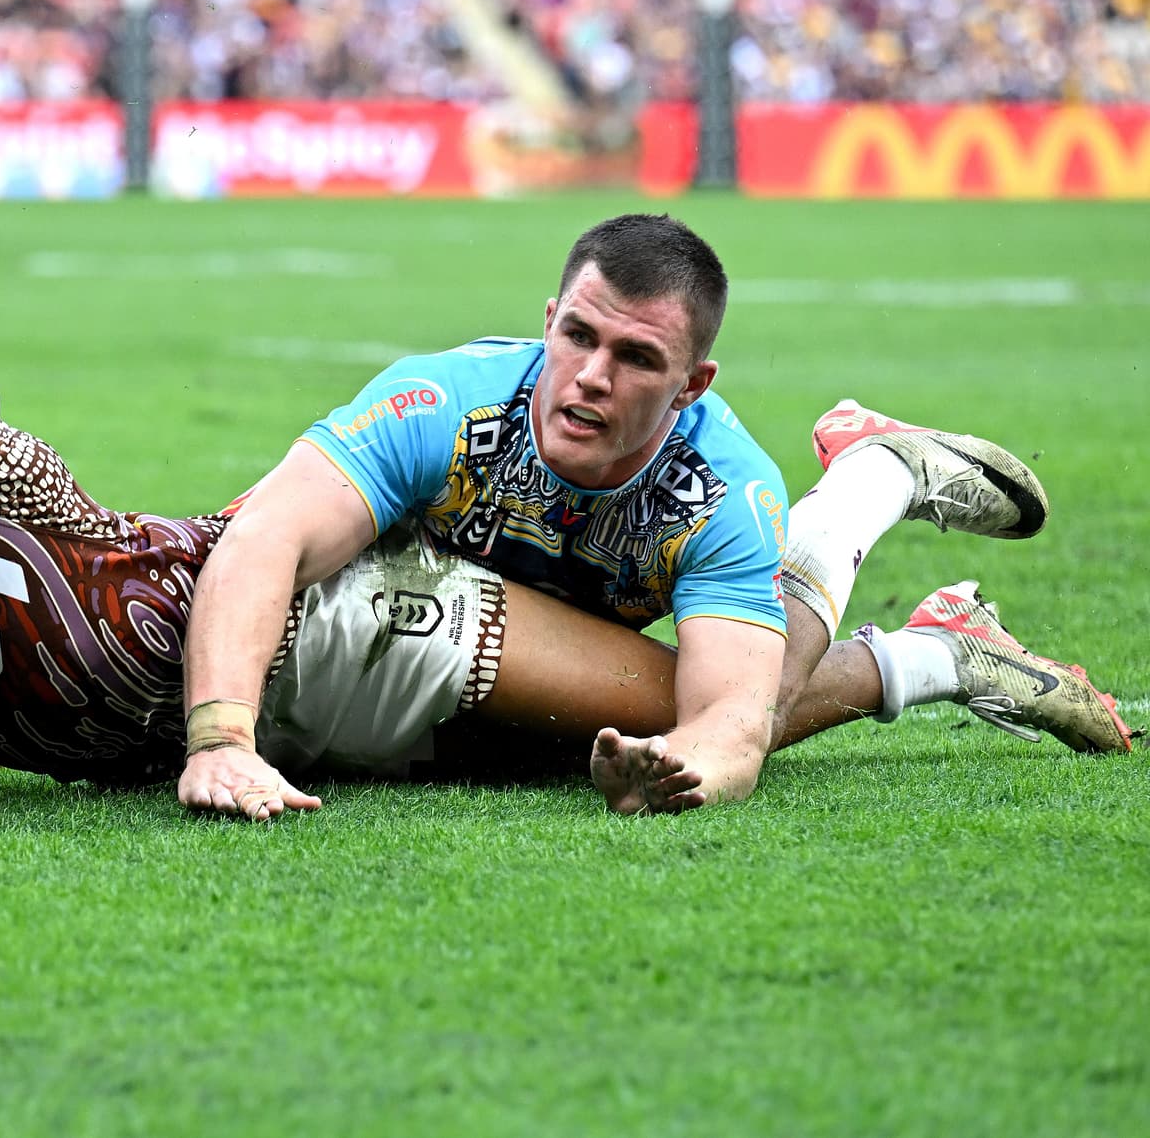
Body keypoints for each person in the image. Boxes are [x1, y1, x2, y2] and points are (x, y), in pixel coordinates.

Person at [0, 255, 1127, 829]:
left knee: (685, 704)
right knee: (603, 756)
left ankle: (882, 539)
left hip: (335, 631)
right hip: (268, 712)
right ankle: (926, 637)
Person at [176, 213, 1130, 817]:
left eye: (636, 359)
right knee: (559, 725)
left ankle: (867, 507)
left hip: (487, 638)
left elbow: (728, 723)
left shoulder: (722, 492)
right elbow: (266, 536)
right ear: (547, 318)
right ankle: (922, 615)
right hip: (433, 630)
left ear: (691, 384)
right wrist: (222, 737)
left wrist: (680, 774)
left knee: (695, 706)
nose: (590, 377)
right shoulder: (442, 403)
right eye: (576, 335)